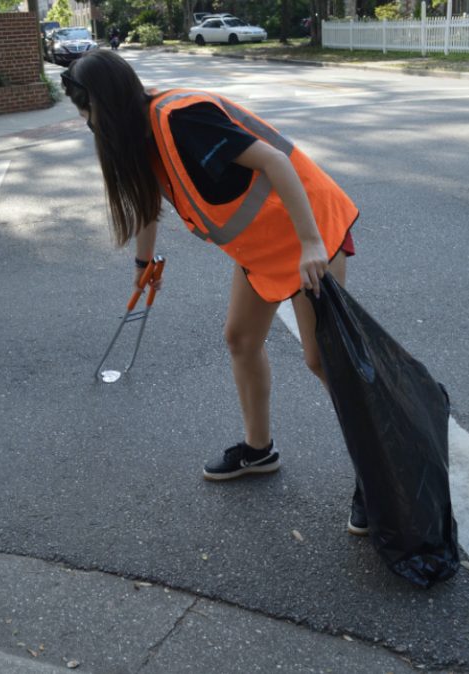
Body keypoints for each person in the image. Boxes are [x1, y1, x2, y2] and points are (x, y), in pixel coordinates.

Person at [61, 51, 367, 535]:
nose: (85, 122)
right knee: (241, 340)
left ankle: (375, 477)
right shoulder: (140, 133)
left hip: (311, 233)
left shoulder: (182, 119)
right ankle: (258, 450)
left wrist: (311, 242)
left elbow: (274, 161)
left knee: (321, 358)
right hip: (266, 247)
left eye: (85, 110)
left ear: (105, 102)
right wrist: (145, 267)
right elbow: (145, 204)